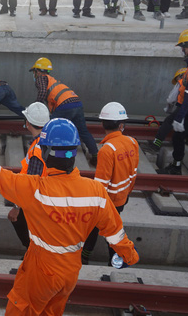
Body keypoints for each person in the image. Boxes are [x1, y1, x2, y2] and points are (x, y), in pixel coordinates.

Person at [0, 118, 139, 315]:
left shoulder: (34, 189)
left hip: (43, 270)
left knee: (21, 309)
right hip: (71, 271)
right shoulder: (96, 191)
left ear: (46, 152)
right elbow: (115, 232)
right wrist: (128, 255)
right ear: (74, 152)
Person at [81, 102, 139, 265]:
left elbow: (101, 184)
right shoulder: (133, 142)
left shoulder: (107, 150)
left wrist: (95, 205)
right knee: (100, 228)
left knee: (109, 232)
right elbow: (133, 174)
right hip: (122, 198)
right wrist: (127, 193)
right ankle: (89, 256)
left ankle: (113, 261)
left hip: (108, 201)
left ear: (102, 124)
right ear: (121, 125)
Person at [29, 57, 99, 165]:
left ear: (37, 71)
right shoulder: (52, 80)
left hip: (65, 105)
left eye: (34, 72)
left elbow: (42, 92)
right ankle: (95, 156)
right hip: (76, 103)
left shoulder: (41, 78)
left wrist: (35, 106)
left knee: (48, 127)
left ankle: (39, 147)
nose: (34, 74)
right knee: (83, 131)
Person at [8, 102, 50, 250]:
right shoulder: (50, 140)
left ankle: (32, 252)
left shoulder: (37, 149)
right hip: (47, 198)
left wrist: (17, 207)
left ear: (28, 122)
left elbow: (30, 183)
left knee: (17, 220)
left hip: (37, 202)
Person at [163, 29, 188, 175]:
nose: (182, 50)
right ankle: (176, 166)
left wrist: (180, 115)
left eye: (183, 47)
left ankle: (176, 167)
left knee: (178, 136)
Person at [146, 68, 187, 152]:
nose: (177, 80)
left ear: (180, 76)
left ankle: (156, 143)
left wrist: (169, 110)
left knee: (168, 121)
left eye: (177, 78)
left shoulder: (181, 82)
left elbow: (171, 99)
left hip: (184, 107)